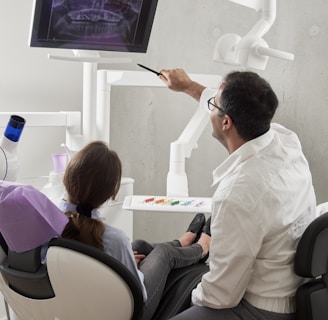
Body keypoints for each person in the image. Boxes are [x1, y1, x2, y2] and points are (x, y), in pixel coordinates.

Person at [157, 69, 317, 320]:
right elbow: (231, 102)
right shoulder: (286, 140)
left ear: (226, 123)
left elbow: (221, 295)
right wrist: (188, 86)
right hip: (289, 289)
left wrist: (189, 299)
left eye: (214, 104)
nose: (211, 104)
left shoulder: (238, 193)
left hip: (258, 308)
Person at [58, 140, 211, 320]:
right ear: (110, 194)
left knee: (138, 245)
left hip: (80, 308)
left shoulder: (50, 223)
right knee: (164, 253)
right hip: (128, 313)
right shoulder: (114, 239)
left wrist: (126, 263)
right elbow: (138, 293)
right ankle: (201, 248)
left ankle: (182, 242)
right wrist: (131, 270)